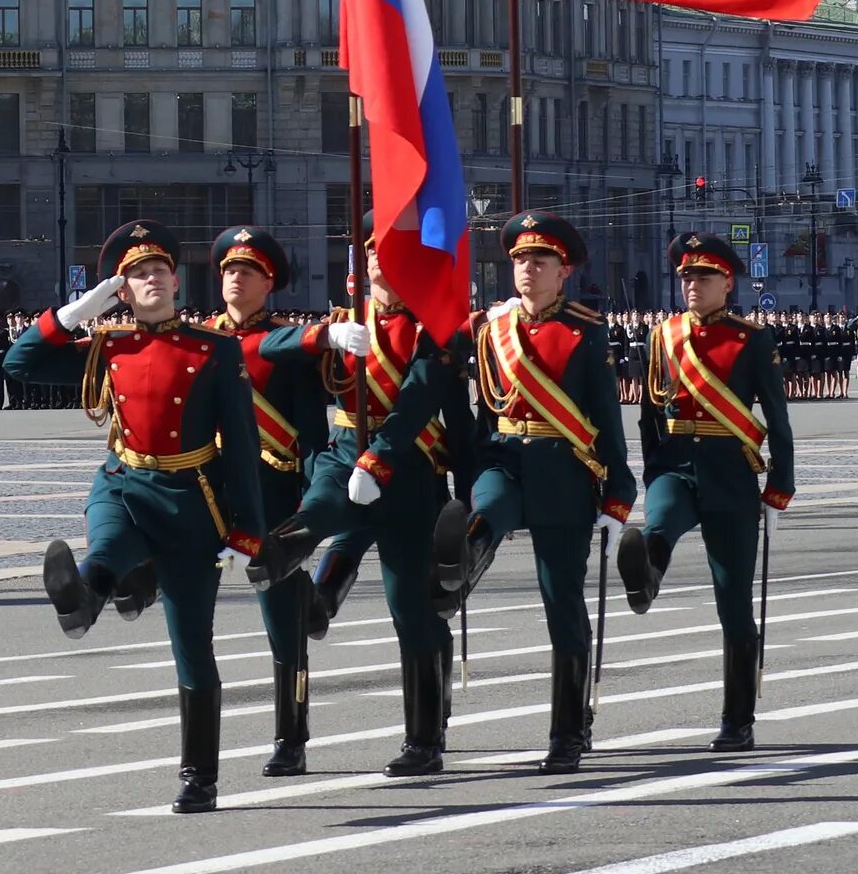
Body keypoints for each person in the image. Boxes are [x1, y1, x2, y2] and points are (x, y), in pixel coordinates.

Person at [13, 220, 265, 814]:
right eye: (135, 275)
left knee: (192, 647)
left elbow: (244, 444)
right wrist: (78, 310)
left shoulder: (214, 348)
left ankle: (199, 775)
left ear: (176, 281)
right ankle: (84, 593)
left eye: (157, 271)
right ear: (122, 290)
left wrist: (246, 530)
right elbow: (20, 364)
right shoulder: (110, 345)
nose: (149, 280)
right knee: (105, 542)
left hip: (190, 498)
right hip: (124, 481)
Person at [255, 247, 468, 777]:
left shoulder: (434, 330)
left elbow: (419, 404)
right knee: (319, 510)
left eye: (392, 252)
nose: (383, 262)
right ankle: (282, 562)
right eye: (374, 252)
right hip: (345, 451)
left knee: (411, 611)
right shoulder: (343, 323)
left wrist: (458, 493)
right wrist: (322, 337)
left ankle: (424, 739)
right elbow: (255, 346)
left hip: (411, 473)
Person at [440, 214, 636, 773]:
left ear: (563, 271)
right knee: (487, 509)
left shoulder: (585, 331)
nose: (528, 269)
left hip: (564, 469)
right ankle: (458, 569)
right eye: (521, 261)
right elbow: (473, 398)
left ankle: (569, 730)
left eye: (540, 262)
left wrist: (617, 496)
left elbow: (605, 417)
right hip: (503, 456)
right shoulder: (489, 328)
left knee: (562, 603)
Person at [615, 233, 798, 752]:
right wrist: (653, 470)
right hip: (676, 465)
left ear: (727, 283)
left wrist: (779, 488)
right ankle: (645, 578)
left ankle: (737, 719)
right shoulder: (662, 335)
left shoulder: (752, 339)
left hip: (731, 472)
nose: (692, 285)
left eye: (703, 277)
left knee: (733, 601)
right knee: (659, 523)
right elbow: (650, 412)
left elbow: (778, 421)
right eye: (687, 278)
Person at [211, 224, 332, 776]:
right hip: (209, 489)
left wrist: (311, 501)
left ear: (269, 283)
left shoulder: (288, 345)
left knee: (280, 625)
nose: (236, 277)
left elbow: (310, 431)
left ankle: (291, 736)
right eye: (229, 270)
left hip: (272, 491)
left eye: (248, 271)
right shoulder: (201, 339)